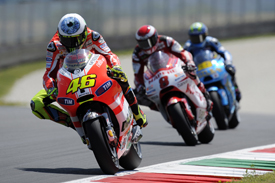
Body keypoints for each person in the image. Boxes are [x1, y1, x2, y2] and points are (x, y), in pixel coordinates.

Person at [30, 13, 147, 144]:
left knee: (121, 76)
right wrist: (51, 88)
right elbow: (48, 74)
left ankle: (137, 113)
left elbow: (109, 55)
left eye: (76, 38)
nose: (72, 44)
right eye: (67, 40)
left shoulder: (94, 36)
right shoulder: (54, 46)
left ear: (84, 32)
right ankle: (73, 122)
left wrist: (116, 67)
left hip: (96, 73)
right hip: (69, 82)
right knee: (37, 104)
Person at [132, 24, 212, 118]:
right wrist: (140, 86)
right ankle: (164, 109)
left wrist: (189, 62)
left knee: (190, 71)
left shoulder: (166, 40)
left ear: (155, 37)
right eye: (143, 43)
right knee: (138, 96)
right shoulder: (137, 53)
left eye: (150, 41)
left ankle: (204, 93)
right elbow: (137, 73)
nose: (147, 46)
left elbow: (182, 52)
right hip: (156, 75)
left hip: (175, 68)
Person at [184, 22, 241, 102]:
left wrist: (228, 63)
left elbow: (224, 52)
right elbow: (183, 61)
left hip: (214, 66)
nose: (197, 40)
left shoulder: (211, 41)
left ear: (205, 35)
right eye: (194, 38)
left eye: (199, 37)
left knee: (230, 70)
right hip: (199, 70)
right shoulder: (188, 47)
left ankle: (235, 89)